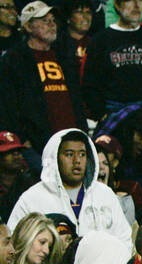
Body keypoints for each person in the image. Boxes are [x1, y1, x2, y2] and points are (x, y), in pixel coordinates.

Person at [5, 129, 130, 243]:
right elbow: (14, 245)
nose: (77, 160)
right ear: (55, 159)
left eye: (82, 154)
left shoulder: (105, 194)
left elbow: (125, 240)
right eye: (69, 154)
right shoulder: (32, 198)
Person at [0, 0, 86, 151]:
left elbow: (76, 99)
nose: (52, 24)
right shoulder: (14, 59)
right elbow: (8, 104)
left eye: (53, 20)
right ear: (27, 26)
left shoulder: (63, 56)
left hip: (71, 139)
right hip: (37, 144)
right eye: (44, 21)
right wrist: (22, 139)